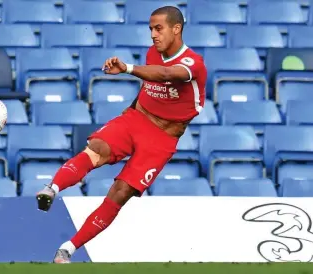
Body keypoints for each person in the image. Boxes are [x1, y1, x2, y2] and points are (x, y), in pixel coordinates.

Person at [36, 6, 207, 264]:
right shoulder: (153, 52)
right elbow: (151, 84)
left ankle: (67, 249)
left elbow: (165, 75)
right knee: (96, 149)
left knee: (120, 192)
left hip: (162, 139)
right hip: (136, 119)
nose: (153, 35)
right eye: (150, 29)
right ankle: (52, 188)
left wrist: (127, 68)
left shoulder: (192, 63)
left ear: (176, 29)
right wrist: (129, 113)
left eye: (158, 28)